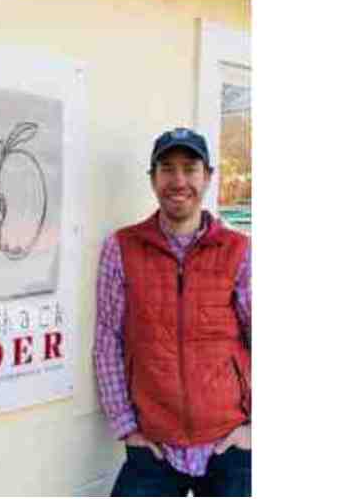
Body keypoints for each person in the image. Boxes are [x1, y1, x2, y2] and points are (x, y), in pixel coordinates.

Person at [94, 127, 252, 497]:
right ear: (153, 179)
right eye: (167, 168)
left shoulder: (239, 250)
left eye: (190, 168)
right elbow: (107, 341)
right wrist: (126, 427)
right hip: (154, 446)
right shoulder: (122, 247)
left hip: (229, 443)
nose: (178, 181)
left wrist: (255, 428)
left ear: (208, 177)